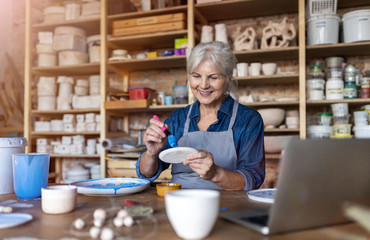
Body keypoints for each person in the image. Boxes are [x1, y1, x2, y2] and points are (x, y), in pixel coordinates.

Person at [136, 41, 265, 190]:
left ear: (228, 78)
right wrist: (151, 154)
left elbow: (252, 180)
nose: (203, 85)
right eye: (197, 76)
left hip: (228, 205)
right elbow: (146, 173)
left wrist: (215, 173)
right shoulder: (178, 118)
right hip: (180, 200)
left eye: (213, 77)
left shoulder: (248, 120)